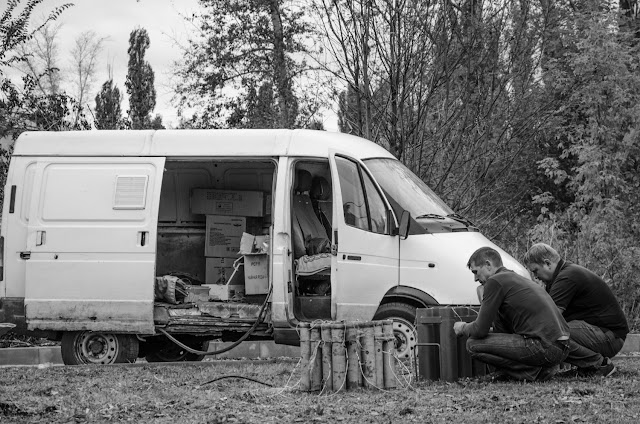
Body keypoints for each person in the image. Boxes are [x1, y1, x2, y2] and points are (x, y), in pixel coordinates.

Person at [453, 247, 570, 382]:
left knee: (473, 344)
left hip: (544, 347)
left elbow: (480, 330)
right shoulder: (515, 279)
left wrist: (463, 327)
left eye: (476, 272)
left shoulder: (495, 281)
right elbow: (501, 330)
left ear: (488, 265)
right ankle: (539, 370)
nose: (475, 278)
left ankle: (531, 372)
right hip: (563, 347)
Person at [523, 243, 628, 377]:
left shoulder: (567, 277)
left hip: (610, 337)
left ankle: (599, 365)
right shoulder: (561, 276)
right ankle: (588, 367)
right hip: (602, 334)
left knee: (548, 333)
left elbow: (548, 319)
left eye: (535, 270)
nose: (535, 276)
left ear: (547, 263)